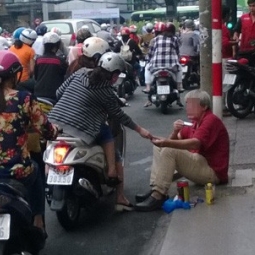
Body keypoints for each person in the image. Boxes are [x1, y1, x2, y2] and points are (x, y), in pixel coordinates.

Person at [48, 52, 152, 211]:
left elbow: (58, 93)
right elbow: (118, 115)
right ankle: (116, 186)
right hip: (80, 130)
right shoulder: (106, 91)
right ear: (114, 75)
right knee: (108, 137)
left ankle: (49, 177)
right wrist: (140, 130)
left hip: (54, 124)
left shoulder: (80, 73)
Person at [135, 89, 229, 212]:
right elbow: (173, 141)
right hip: (200, 164)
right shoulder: (194, 123)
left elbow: (195, 144)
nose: (188, 108)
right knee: (159, 147)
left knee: (169, 149)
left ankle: (159, 195)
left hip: (213, 173)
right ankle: (156, 188)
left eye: (191, 105)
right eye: (187, 104)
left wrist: (166, 142)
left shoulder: (210, 120)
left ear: (204, 106)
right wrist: (174, 132)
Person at [0, 50, 58, 232]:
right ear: (14, 75)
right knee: (36, 173)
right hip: (16, 170)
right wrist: (54, 131)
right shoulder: (23, 98)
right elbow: (45, 129)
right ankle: (38, 221)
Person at [143, 22, 184, 107]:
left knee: (146, 68)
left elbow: (150, 53)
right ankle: (179, 86)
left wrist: (149, 59)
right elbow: (177, 51)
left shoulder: (155, 39)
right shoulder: (175, 39)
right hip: (171, 66)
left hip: (156, 66)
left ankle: (147, 87)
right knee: (180, 68)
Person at [34, 32, 68, 101]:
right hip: (55, 95)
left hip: (38, 94)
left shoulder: (38, 60)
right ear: (56, 46)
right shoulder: (60, 61)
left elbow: (36, 76)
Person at [222, 5, 239, 116]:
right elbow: (224, 43)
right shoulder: (223, 28)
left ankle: (223, 105)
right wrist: (236, 42)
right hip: (225, 58)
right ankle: (223, 106)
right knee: (227, 83)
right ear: (227, 16)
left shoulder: (220, 27)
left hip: (223, 57)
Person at [9, 27, 37, 93]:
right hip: (24, 80)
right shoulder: (30, 50)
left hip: (12, 79)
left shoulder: (12, 47)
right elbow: (32, 70)